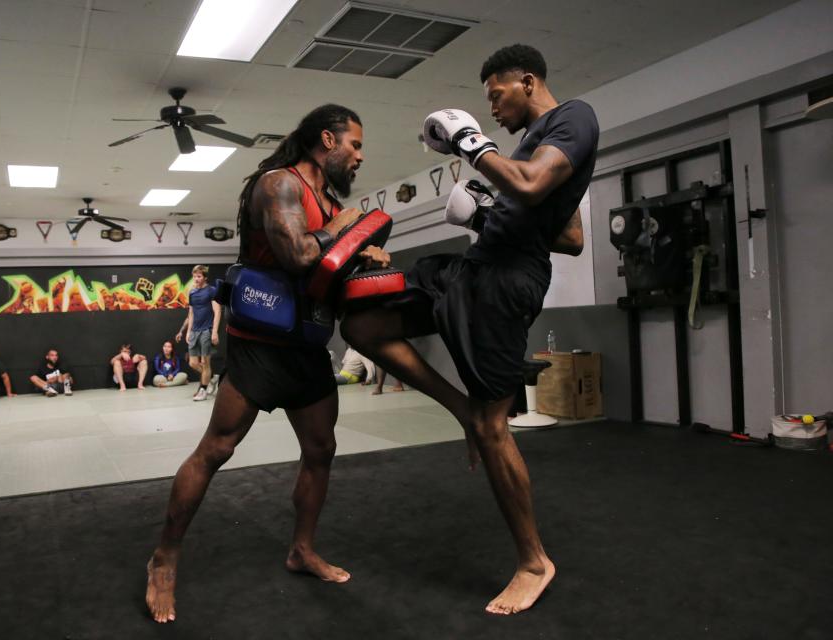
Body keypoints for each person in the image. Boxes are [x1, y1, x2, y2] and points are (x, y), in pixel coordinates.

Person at [340, 44, 598, 616]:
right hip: (473, 269)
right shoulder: (536, 143)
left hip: (506, 283)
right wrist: (484, 216)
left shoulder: (573, 119)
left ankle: (534, 562)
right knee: (361, 321)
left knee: (492, 425)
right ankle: (460, 408)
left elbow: (531, 186)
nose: (493, 109)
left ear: (527, 82)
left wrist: (469, 142)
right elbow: (571, 235)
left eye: (496, 95)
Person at [145, 103, 383, 624]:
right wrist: (348, 227)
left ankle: (301, 549)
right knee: (217, 449)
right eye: (355, 145)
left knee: (321, 448)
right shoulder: (279, 185)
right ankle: (164, 558)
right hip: (259, 345)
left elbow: (322, 270)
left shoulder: (323, 197)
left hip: (306, 344)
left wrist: (361, 251)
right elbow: (298, 256)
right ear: (327, 139)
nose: (360, 156)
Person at [175, 265, 222, 401]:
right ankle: (212, 378)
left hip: (206, 331)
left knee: (205, 362)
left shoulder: (211, 290)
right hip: (194, 331)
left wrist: (214, 332)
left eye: (199, 276)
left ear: (205, 277)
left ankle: (203, 390)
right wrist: (186, 332)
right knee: (193, 363)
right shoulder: (192, 292)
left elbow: (217, 311)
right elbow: (191, 313)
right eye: (194, 276)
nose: (196, 278)